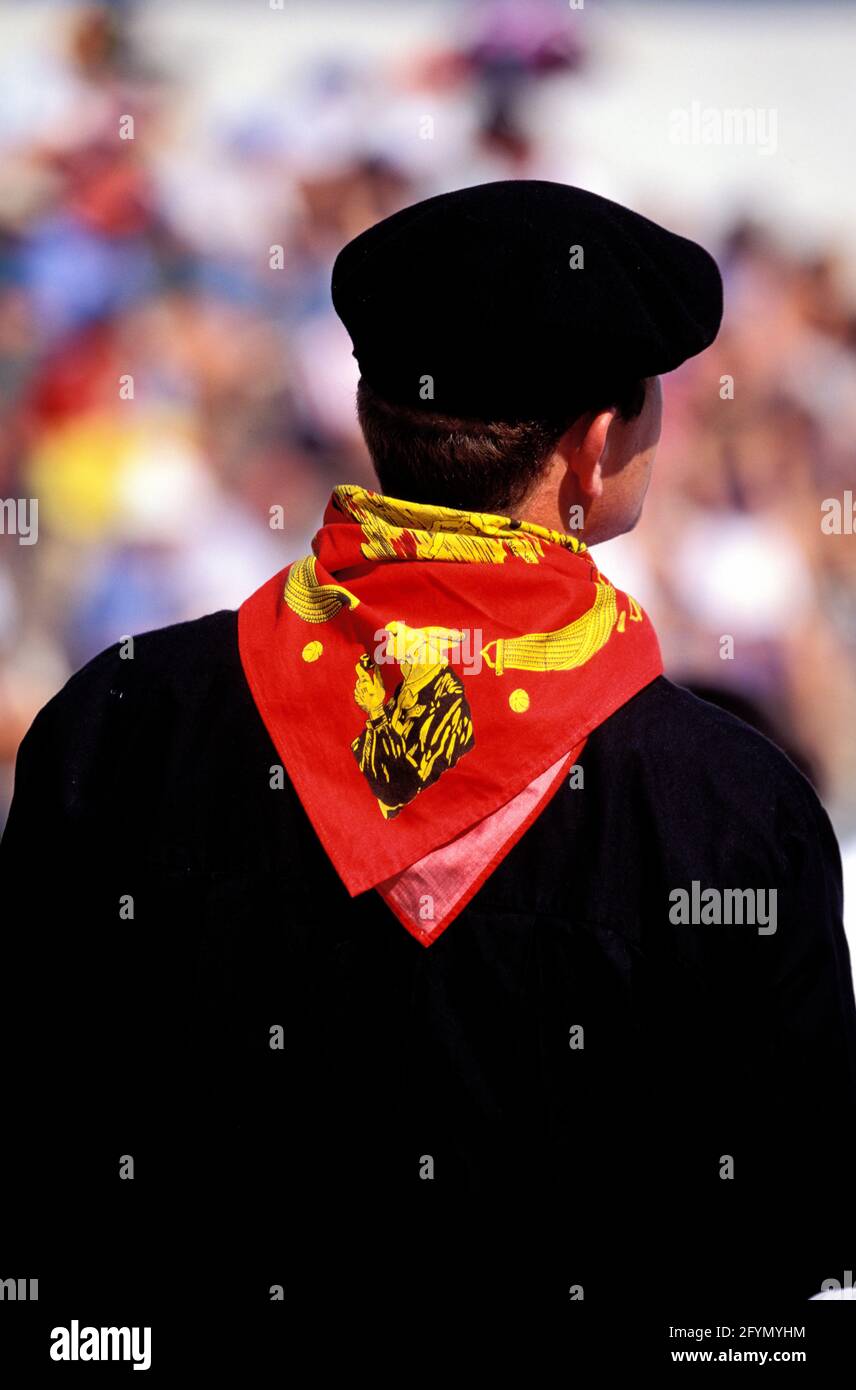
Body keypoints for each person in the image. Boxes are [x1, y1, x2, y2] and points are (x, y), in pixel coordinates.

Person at [2, 182, 854, 1350]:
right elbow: (779, 1242)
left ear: (369, 410)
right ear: (594, 448)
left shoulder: (116, 718)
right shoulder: (729, 805)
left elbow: (38, 1148)